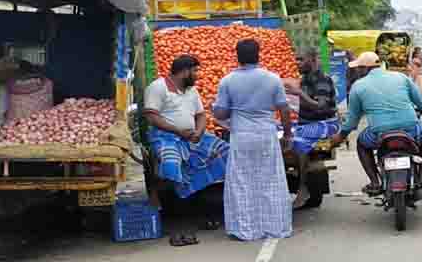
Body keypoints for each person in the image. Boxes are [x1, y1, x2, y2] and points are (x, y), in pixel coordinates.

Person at [143, 55, 229, 246]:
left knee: (225, 151)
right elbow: (151, 117)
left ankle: (202, 206)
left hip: (193, 137)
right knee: (172, 165)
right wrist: (178, 131)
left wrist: (198, 132)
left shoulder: (192, 91)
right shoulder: (157, 87)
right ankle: (178, 223)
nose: (197, 75)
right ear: (184, 71)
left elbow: (200, 116)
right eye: (195, 71)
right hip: (166, 138)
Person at [212, 39, 293, 241]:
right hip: (267, 135)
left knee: (242, 183)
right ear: (259, 54)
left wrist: (216, 108)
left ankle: (245, 229)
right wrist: (289, 134)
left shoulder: (228, 81)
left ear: (237, 56)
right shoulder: (273, 79)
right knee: (271, 181)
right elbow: (284, 109)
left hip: (241, 136)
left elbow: (221, 114)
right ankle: (275, 227)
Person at [330, 51, 422, 196]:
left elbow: (352, 121)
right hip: (410, 129)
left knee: (361, 143)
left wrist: (340, 137)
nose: (357, 70)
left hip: (379, 134)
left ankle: (375, 182)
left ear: (365, 69)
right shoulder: (401, 77)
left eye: (359, 68)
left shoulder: (358, 86)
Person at [284, 48, 340, 208]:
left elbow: (320, 107)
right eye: (296, 59)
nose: (297, 63)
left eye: (301, 59)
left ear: (313, 60)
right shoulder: (304, 79)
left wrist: (298, 93)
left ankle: (303, 188)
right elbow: (305, 104)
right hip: (309, 123)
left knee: (299, 141)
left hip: (325, 124)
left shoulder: (322, 80)